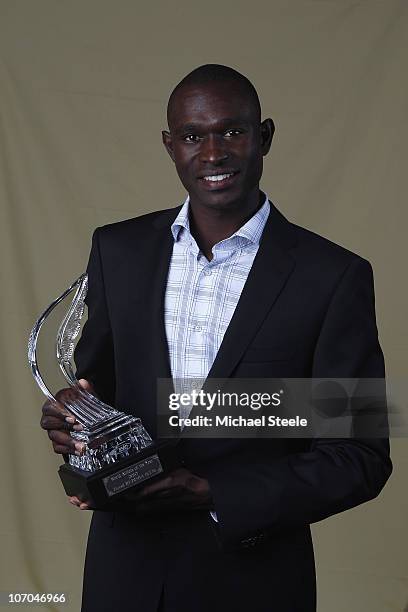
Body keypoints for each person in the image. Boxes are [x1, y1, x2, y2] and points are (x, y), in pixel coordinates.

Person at [40, 64, 392, 612]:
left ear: (265, 136)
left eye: (232, 131)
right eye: (192, 136)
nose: (212, 153)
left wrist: (215, 492)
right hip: (122, 577)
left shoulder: (332, 276)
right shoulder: (119, 251)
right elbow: (99, 392)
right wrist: (75, 419)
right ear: (170, 145)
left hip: (255, 582)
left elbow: (359, 455)